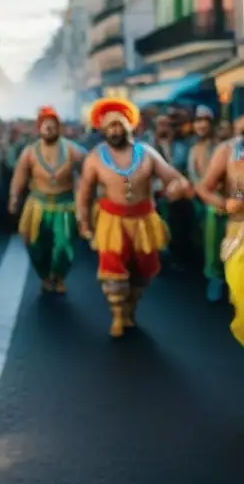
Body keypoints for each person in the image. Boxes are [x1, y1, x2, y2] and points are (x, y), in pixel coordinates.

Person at [76, 98, 191, 338]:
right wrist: (84, 223)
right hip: (111, 221)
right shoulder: (95, 158)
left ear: (131, 126)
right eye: (110, 127)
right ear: (103, 131)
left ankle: (130, 309)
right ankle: (118, 315)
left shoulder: (146, 153)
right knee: (113, 270)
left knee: (144, 270)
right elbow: (84, 194)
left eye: (120, 125)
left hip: (144, 220)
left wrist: (177, 187)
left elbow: (174, 177)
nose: (116, 130)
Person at [8, 106, 86, 294]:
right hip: (38, 205)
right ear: (39, 129)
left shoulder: (73, 150)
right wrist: (14, 198)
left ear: (59, 128)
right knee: (35, 244)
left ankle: (58, 277)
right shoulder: (29, 152)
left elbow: (90, 171)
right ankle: (44, 276)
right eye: (45, 126)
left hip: (65, 205)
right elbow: (19, 176)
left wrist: (89, 194)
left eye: (52, 125)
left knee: (63, 246)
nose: (49, 129)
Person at [195, 113, 244, 345]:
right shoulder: (227, 151)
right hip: (239, 233)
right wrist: (223, 204)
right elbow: (204, 188)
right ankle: (213, 276)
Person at [187, 106, 224, 302]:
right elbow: (195, 180)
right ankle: (214, 277)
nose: (201, 124)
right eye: (197, 120)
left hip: (233, 201)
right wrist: (210, 200)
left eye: (205, 120)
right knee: (212, 241)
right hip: (208, 204)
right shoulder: (194, 150)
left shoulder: (226, 145)